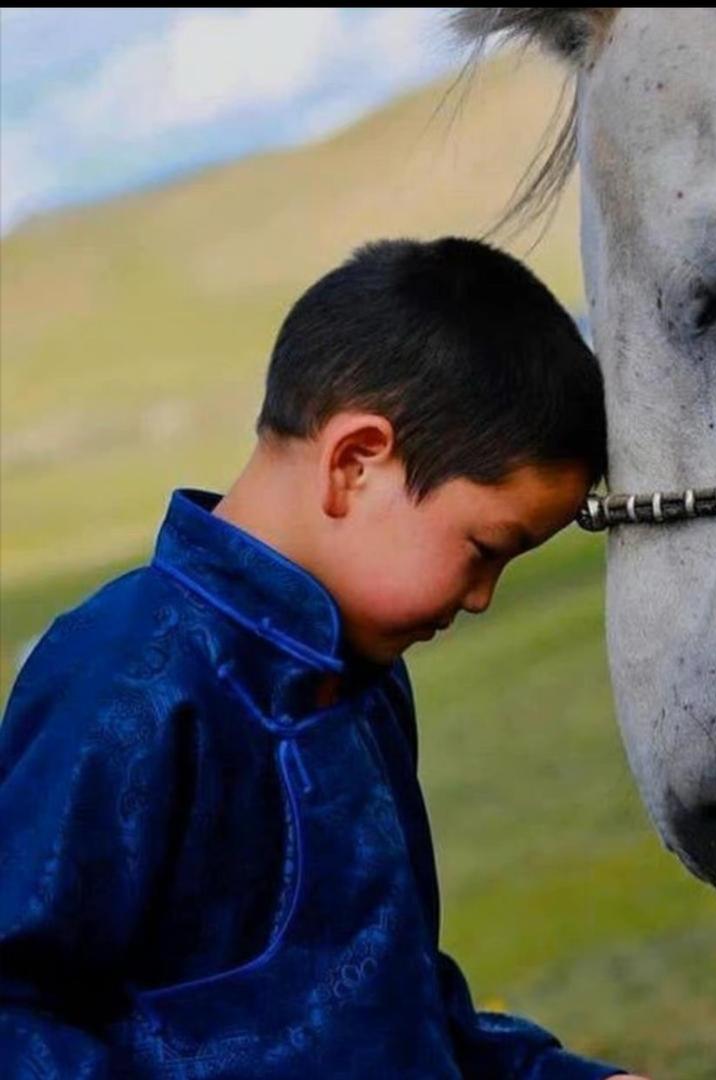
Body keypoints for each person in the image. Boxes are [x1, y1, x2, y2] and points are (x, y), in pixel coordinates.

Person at [0, 238, 650, 1079]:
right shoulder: (126, 675)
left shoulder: (369, 688)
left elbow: (397, 1016)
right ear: (354, 463)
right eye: (485, 549)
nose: (483, 598)